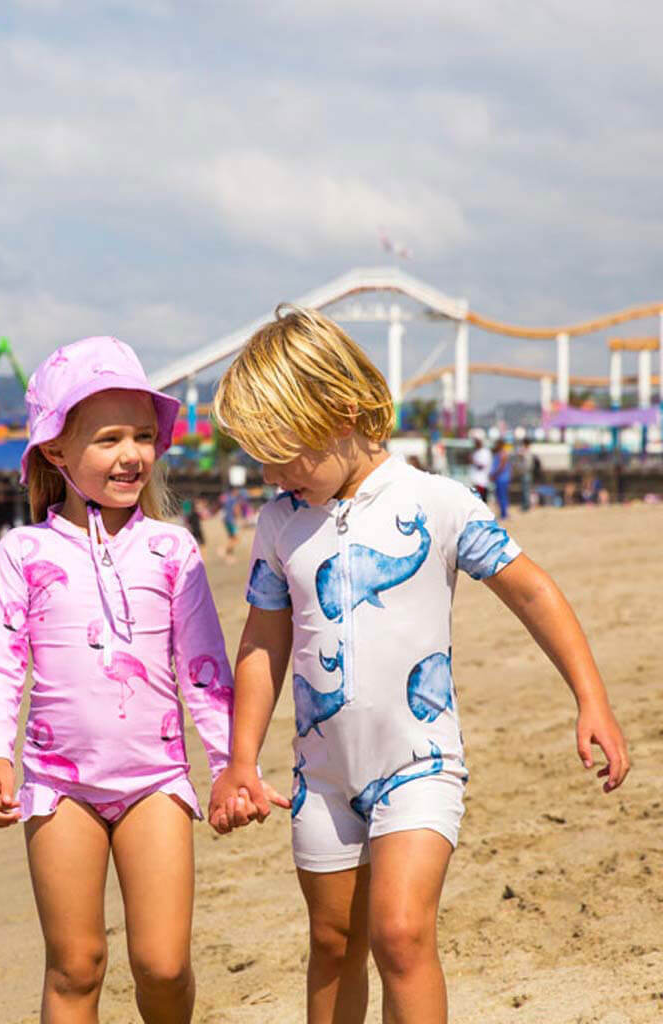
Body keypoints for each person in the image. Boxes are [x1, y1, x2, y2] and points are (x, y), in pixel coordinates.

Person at [208, 306, 630, 1024]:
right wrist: (239, 757)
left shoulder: (436, 502)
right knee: (332, 940)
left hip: (420, 760)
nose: (271, 472)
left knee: (400, 935)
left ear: (340, 412)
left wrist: (591, 698)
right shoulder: (280, 524)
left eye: (281, 452)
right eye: (259, 458)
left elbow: (531, 590)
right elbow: (262, 643)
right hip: (324, 775)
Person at [0, 337, 244, 1023]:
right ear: (56, 450)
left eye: (145, 437)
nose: (132, 455)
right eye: (111, 438)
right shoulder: (23, 552)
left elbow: (204, 666)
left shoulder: (171, 547)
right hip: (59, 786)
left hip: (155, 778)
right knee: (76, 965)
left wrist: (228, 762)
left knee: (163, 963)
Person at [490, 439, 512, 519]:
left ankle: (504, 514)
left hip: (502, 478)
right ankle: (503, 513)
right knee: (500, 496)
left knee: (502, 496)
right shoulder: (499, 453)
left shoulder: (502, 453)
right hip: (500, 478)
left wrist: (494, 475)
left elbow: (501, 466)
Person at [468, 437, 491, 501]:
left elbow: (482, 466)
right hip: (475, 481)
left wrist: (472, 461)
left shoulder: (485, 452)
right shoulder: (476, 451)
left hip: (481, 482)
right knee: (475, 500)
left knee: (481, 502)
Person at [518, 439, 536, 511]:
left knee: (525, 490)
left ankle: (526, 506)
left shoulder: (526, 451)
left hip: (526, 473)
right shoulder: (529, 451)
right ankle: (526, 505)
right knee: (526, 490)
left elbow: (521, 456)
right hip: (527, 472)